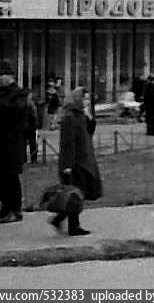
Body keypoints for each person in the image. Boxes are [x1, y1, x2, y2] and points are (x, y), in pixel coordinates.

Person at [52, 87, 100, 237]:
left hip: (85, 158)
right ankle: (72, 225)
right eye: (84, 99)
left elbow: (89, 133)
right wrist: (67, 165)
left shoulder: (81, 115)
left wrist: (90, 118)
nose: (86, 102)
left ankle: (61, 219)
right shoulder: (70, 117)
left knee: (79, 193)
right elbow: (68, 142)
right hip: (75, 161)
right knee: (75, 193)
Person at [0, 60, 29, 224]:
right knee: (2, 176)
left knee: (11, 176)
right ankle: (5, 206)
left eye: (0, 75)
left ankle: (16, 209)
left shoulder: (19, 94)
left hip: (12, 141)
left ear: (9, 76)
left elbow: (15, 111)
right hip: (0, 141)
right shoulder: (1, 92)